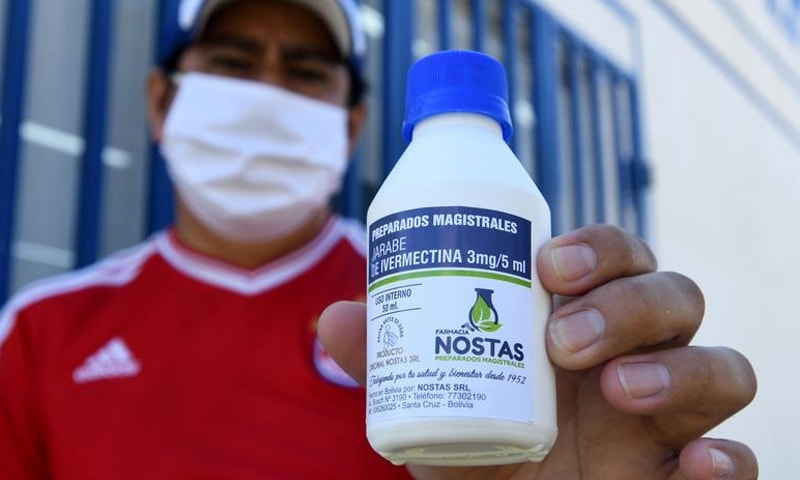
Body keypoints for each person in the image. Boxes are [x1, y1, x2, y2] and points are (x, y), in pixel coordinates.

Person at [0, 0, 758, 479]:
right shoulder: (39, 329)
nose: (267, 95)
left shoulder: (425, 275)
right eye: (233, 65)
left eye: (305, 72)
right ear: (163, 101)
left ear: (352, 125)